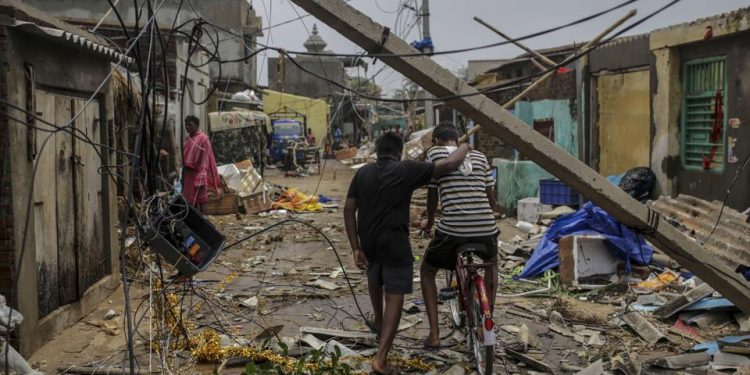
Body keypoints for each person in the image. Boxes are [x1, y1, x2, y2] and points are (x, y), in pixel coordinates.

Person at [344, 133, 472, 375]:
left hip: (368, 241)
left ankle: (381, 329)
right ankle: (380, 360)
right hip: (395, 243)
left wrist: (355, 247)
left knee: (375, 277)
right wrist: (464, 146)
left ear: (377, 152)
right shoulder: (407, 169)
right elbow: (449, 164)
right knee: (395, 297)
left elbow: (349, 209)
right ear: (399, 151)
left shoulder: (362, 173)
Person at [420, 122, 499, 349]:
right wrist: (487, 211)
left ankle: (434, 334)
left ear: (436, 140)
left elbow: (432, 197)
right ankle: (488, 321)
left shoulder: (434, 154)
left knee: (426, 271)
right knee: (492, 264)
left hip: (453, 229)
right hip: (485, 227)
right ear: (457, 138)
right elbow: (491, 197)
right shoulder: (481, 157)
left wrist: (430, 222)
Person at [182, 115, 221, 212]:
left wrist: (202, 173)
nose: (187, 127)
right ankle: (193, 218)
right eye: (186, 125)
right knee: (189, 198)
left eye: (190, 125)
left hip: (198, 172)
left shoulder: (203, 138)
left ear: (197, 125)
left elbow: (206, 157)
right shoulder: (187, 139)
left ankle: (203, 218)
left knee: (201, 199)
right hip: (188, 173)